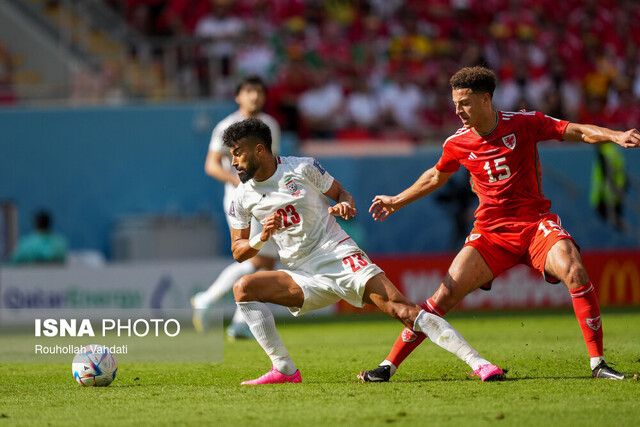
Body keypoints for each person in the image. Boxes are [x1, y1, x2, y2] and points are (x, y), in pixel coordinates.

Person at [358, 66, 640, 383]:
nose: (457, 110)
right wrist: (396, 200)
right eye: (455, 103)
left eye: (464, 102)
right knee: (442, 297)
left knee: (574, 269)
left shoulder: (523, 123)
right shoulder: (457, 143)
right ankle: (388, 366)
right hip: (490, 235)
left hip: (535, 226)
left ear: (485, 99)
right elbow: (436, 176)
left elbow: (574, 130)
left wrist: (614, 135)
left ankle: (598, 364)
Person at [222, 117, 505, 385]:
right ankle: (284, 368)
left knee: (403, 311)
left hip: (337, 255)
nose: (233, 161)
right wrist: (261, 238)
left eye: (237, 153)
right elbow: (239, 251)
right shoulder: (241, 196)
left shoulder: (302, 168)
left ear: (259, 149)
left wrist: (345, 205)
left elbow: (343, 195)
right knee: (244, 288)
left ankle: (478, 362)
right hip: (302, 274)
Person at [191, 75, 280, 339]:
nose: (254, 96)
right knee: (253, 255)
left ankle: (235, 319)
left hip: (266, 196)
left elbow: (272, 161)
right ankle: (213, 303)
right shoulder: (227, 126)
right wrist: (237, 180)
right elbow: (211, 165)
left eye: (259, 91)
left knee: (263, 261)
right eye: (249, 91)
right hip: (239, 199)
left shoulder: (271, 124)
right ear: (238, 96)